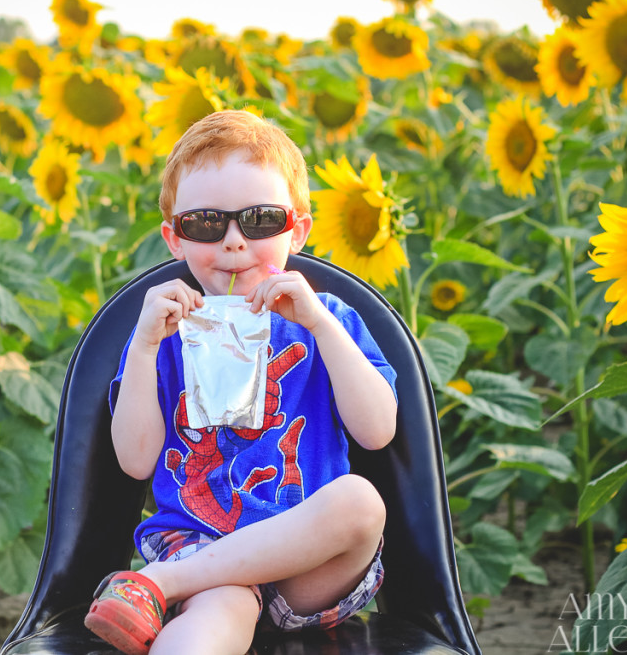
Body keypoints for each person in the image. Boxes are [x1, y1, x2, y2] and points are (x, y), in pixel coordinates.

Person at [84, 110, 398, 655]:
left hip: (309, 564)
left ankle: (156, 586)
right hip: (203, 553)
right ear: (173, 239)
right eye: (205, 223)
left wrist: (319, 325)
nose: (233, 242)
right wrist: (142, 347)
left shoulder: (331, 319)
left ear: (297, 230)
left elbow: (377, 431)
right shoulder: (166, 336)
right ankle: (180, 590)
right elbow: (135, 460)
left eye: (259, 220)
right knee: (222, 610)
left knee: (361, 503)